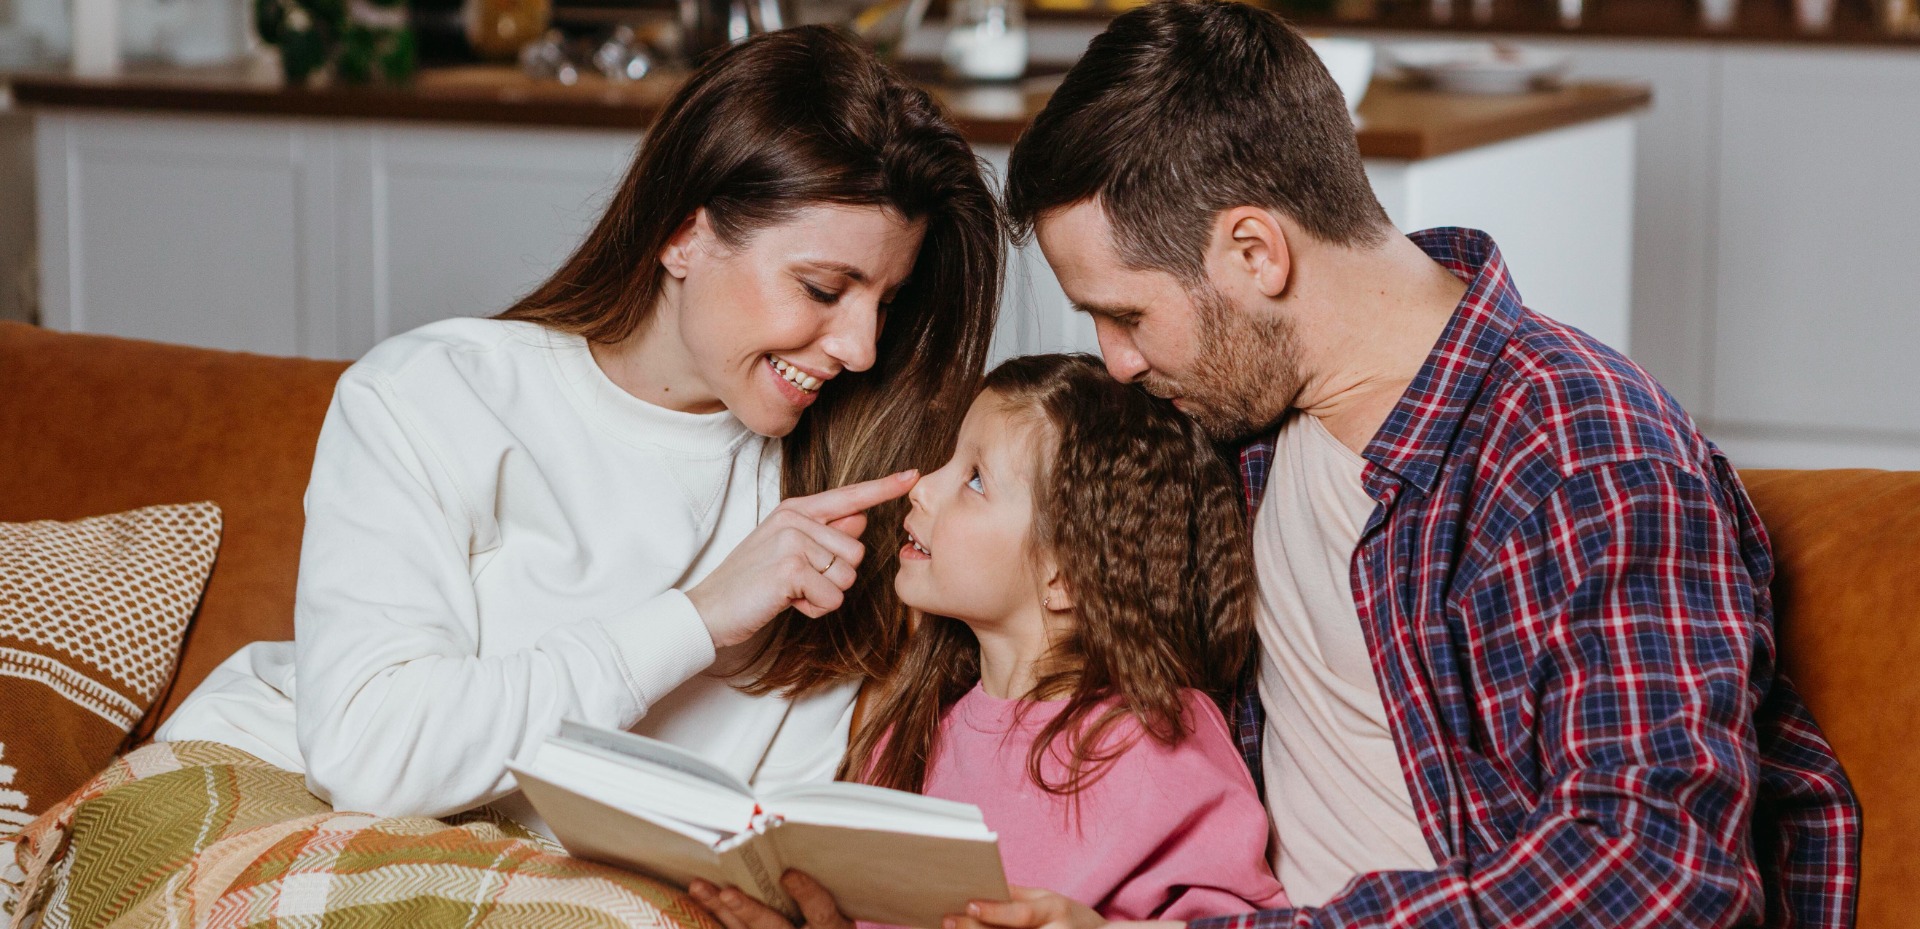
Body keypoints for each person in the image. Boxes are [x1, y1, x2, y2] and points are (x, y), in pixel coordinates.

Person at [702, 4, 1861, 929]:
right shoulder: (1228, 433)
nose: (1113, 360)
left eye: (1125, 313)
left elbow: (1658, 884)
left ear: (1254, 250)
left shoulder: (1574, 450)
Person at [153, 25, 1004, 834]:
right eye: (822, 289)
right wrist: (698, 617)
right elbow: (372, 756)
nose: (860, 349)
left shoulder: (853, 485)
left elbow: (768, 823)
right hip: (273, 795)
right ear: (683, 234)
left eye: (884, 305)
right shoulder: (435, 395)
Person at [701, 354, 1288, 921]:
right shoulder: (910, 733)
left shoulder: (1156, 738)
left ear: (1067, 576)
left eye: (975, 480)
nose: (923, 488)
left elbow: (1246, 920)